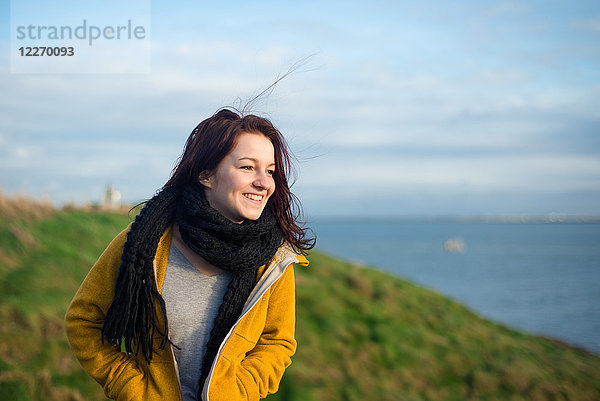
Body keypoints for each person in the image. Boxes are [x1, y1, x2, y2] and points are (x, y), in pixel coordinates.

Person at [65, 108, 313, 401]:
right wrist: (130, 387)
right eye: (248, 167)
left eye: (270, 171)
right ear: (206, 175)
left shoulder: (274, 260)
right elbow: (83, 320)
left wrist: (239, 391)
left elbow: (277, 342)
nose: (264, 182)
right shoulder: (143, 243)